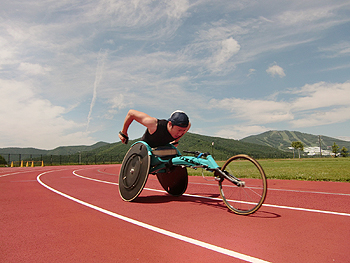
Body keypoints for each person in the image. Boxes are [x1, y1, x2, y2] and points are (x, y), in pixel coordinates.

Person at [118, 109, 191, 148]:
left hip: (162, 148)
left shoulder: (186, 126)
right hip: (145, 148)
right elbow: (131, 113)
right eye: (179, 130)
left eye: (183, 130)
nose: (181, 133)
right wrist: (124, 132)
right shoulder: (154, 124)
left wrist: (176, 140)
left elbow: (187, 126)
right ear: (170, 124)